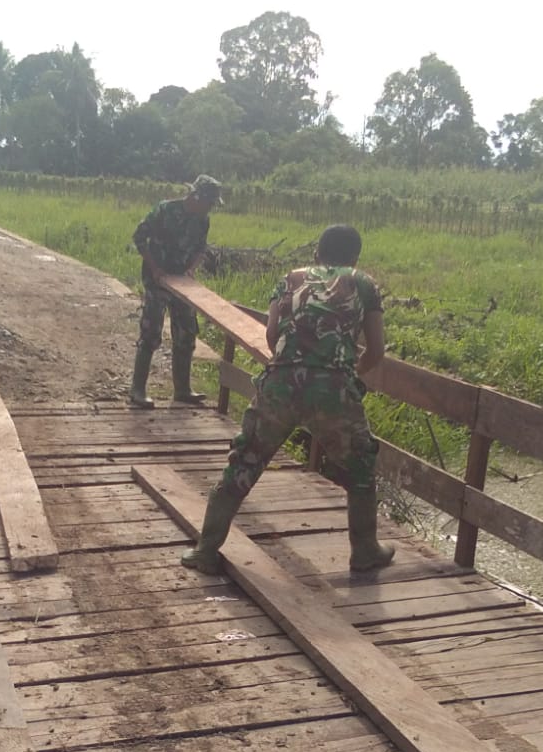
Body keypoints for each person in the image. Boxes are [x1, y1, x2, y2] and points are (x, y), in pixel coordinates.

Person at [181, 224, 395, 574]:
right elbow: (376, 350)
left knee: (245, 459)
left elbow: (271, 333)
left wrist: (290, 366)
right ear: (355, 258)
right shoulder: (363, 283)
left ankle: (206, 549)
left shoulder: (290, 278)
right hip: (333, 388)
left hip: (280, 383)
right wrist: (345, 372)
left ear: (316, 254)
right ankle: (365, 549)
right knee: (359, 466)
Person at [128, 174, 223, 408]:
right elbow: (139, 238)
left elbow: (201, 248)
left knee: (186, 332)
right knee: (151, 332)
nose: (210, 208)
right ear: (195, 197)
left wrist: (191, 269)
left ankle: (182, 389)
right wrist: (156, 269)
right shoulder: (165, 210)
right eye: (208, 203)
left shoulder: (202, 221)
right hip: (157, 279)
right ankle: (137, 390)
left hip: (182, 282)